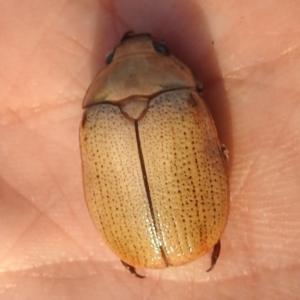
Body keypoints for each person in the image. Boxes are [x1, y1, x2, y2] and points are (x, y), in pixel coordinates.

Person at [0, 0, 299, 299]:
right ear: (186, 77)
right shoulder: (186, 101)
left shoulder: (94, 119)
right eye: (160, 50)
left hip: (135, 241)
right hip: (186, 230)